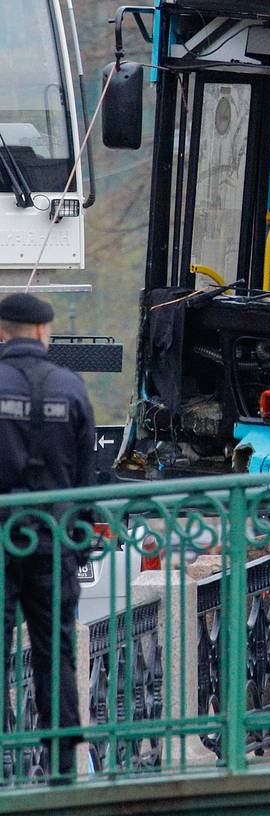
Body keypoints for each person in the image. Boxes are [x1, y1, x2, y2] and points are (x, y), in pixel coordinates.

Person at [0, 292, 97, 781]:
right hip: (53, 539)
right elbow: (86, 479)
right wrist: (77, 544)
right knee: (54, 649)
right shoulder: (71, 387)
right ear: (42, 332)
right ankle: (61, 761)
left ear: (2, 332)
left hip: (1, 539)